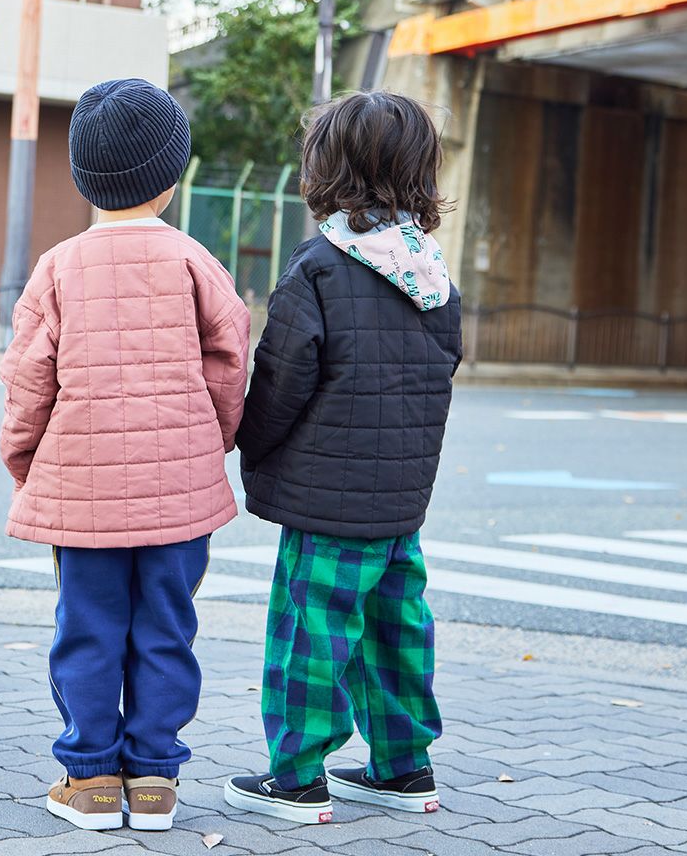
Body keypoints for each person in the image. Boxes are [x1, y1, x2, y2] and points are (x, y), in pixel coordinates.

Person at [0, 78, 250, 832]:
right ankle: (154, 781)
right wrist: (208, 443)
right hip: (180, 494)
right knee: (167, 627)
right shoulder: (194, 261)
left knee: (87, 628)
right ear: (171, 176)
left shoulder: (57, 268)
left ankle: (91, 781)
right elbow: (230, 365)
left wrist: (27, 464)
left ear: (84, 175)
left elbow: (27, 383)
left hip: (82, 496)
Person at [225, 91, 462, 824]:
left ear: (326, 170)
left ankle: (298, 776)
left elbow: (281, 380)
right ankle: (404, 766)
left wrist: (252, 444)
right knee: (397, 629)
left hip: (325, 501)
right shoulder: (433, 273)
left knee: (313, 631)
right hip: (401, 501)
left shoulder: (321, 265)